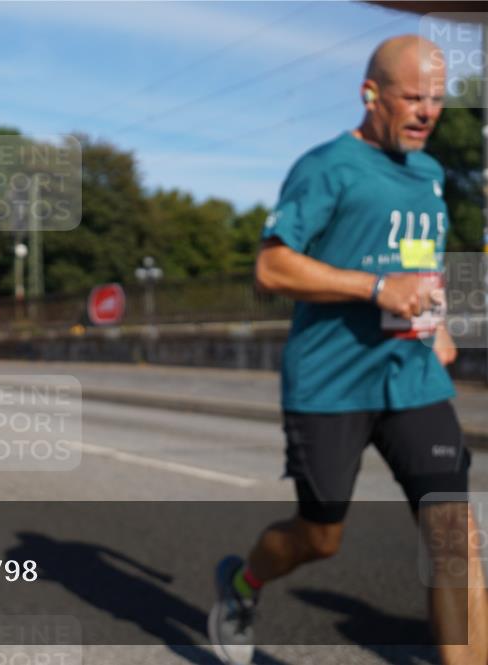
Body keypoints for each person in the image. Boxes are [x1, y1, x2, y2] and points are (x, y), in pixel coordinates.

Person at [208, 35, 486, 665]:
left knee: (454, 536)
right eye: (412, 98)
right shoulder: (326, 166)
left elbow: (420, 262)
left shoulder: (430, 175)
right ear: (371, 95)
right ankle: (243, 584)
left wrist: (435, 320)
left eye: (437, 100)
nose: (427, 112)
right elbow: (272, 268)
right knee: (319, 535)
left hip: (413, 379)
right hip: (331, 382)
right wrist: (375, 288)